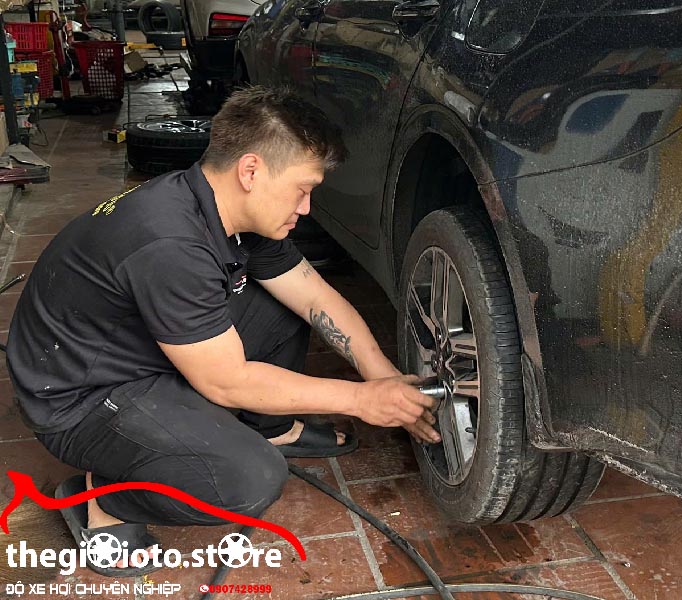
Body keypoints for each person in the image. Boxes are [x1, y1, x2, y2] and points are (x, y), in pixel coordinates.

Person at [5, 86, 440, 576]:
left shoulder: (230, 210)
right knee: (247, 479)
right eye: (302, 190)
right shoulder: (171, 243)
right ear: (251, 171)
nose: (306, 208)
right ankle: (104, 499)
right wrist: (362, 400)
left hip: (135, 350)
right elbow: (227, 382)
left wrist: (385, 378)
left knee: (283, 307)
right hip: (78, 399)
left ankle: (272, 427)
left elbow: (314, 297)